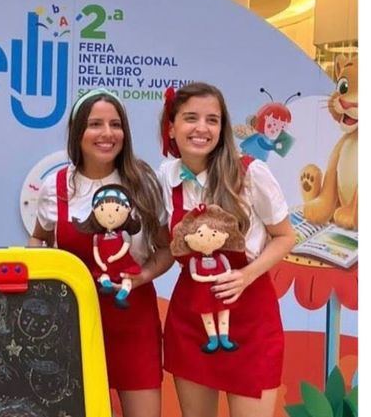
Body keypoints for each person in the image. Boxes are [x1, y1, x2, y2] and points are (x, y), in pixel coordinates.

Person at [28, 88, 173, 417]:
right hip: (73, 323)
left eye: (115, 124)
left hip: (133, 320)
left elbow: (166, 249)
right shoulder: (56, 186)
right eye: (95, 124)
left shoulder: (143, 183)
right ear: (78, 132)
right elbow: (38, 239)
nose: (107, 133)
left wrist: (142, 276)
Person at [158, 82, 296, 417]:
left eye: (212, 120)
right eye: (191, 118)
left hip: (250, 315)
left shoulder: (251, 172)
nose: (202, 128)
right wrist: (137, 277)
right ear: (172, 127)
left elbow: (286, 237)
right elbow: (166, 246)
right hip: (192, 317)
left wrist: (245, 275)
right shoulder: (166, 176)